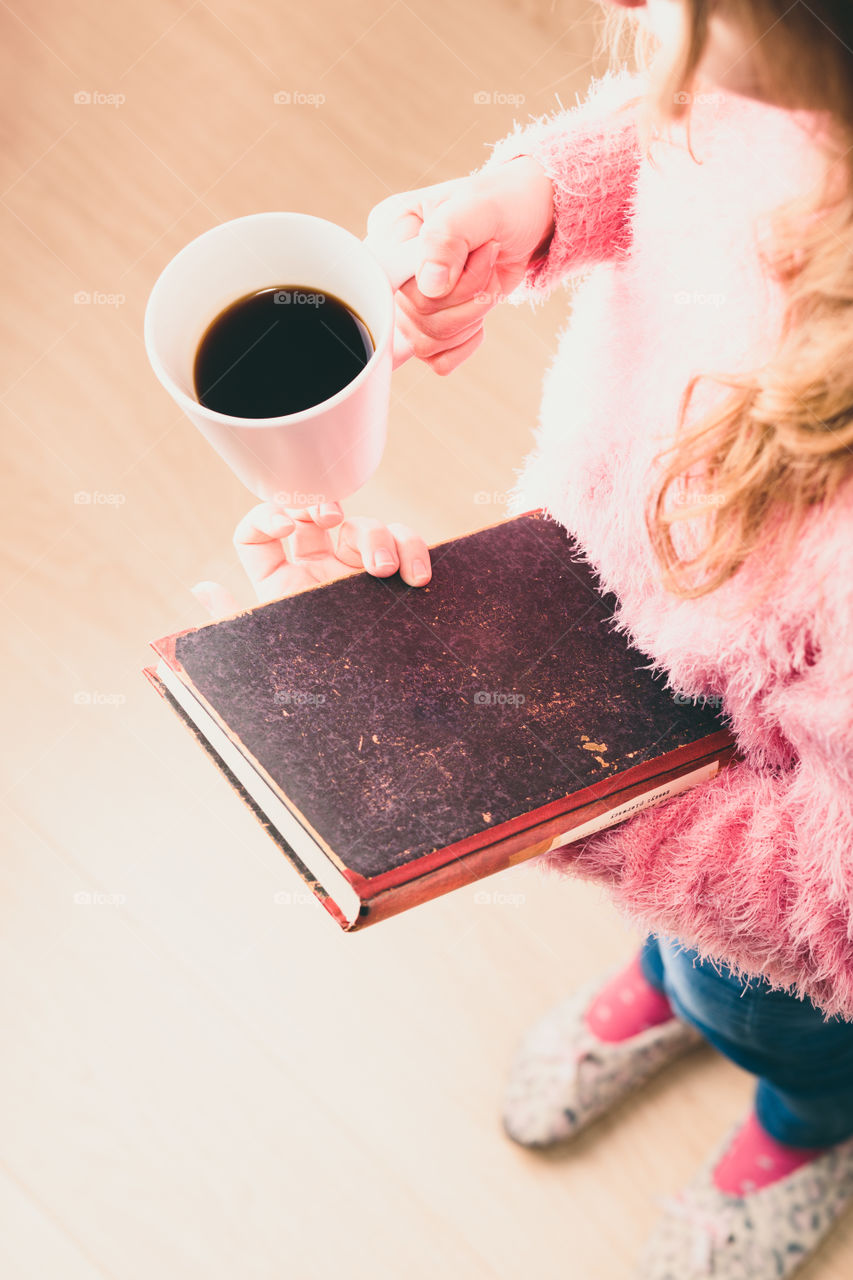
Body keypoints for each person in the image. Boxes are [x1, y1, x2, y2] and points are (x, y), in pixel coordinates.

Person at [194, 1, 853, 1274]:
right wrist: (539, 198)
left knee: (776, 1009)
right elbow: (691, 135)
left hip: (764, 802)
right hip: (641, 630)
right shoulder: (775, 74)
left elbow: (830, 907)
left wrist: (556, 788)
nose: (622, 15)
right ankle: (678, 975)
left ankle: (801, 1122)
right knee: (686, 947)